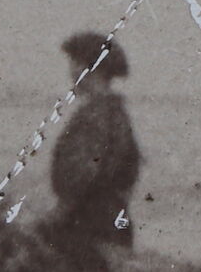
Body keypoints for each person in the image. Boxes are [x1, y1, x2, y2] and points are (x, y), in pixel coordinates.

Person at [49, 32, 140, 247]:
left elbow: (82, 176)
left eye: (75, 63)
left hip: (88, 230)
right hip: (109, 224)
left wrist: (56, 217)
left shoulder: (96, 117)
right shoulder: (115, 113)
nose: (71, 72)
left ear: (86, 69)